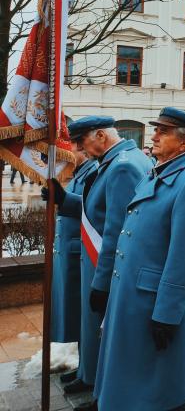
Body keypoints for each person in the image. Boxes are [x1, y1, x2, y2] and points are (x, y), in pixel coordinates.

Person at [93, 107, 185, 411]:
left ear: (184, 142)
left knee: (159, 389)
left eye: (163, 130)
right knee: (133, 382)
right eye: (156, 129)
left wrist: (167, 315)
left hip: (154, 304)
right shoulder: (157, 172)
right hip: (133, 298)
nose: (155, 135)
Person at [49, 117, 152, 411]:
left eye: (82, 142)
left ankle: (102, 393)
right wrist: (64, 200)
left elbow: (117, 228)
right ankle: (91, 377)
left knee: (102, 330)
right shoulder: (120, 160)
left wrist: (103, 280)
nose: (79, 148)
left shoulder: (121, 166)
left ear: (100, 136)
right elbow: (97, 206)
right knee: (96, 328)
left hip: (103, 265)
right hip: (100, 262)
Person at [49, 123, 98, 386]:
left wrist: (64, 200)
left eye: (69, 147)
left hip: (82, 254)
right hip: (72, 253)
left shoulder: (92, 171)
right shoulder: (81, 172)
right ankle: (84, 369)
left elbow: (94, 210)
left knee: (86, 320)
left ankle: (89, 374)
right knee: (78, 319)